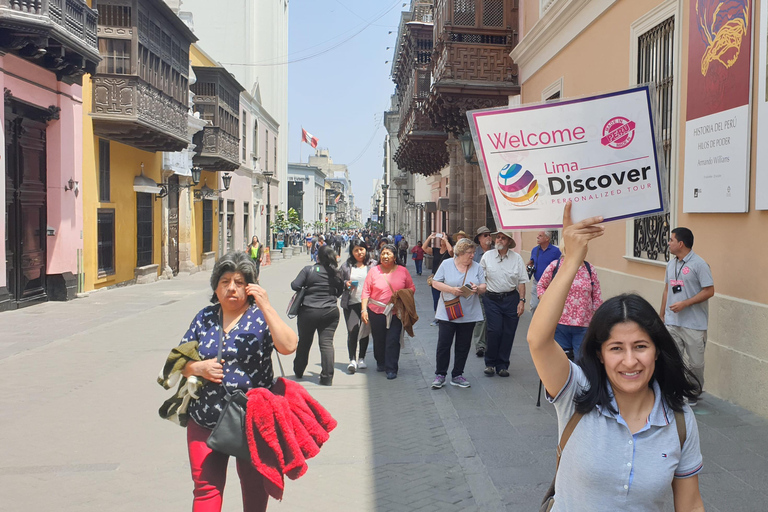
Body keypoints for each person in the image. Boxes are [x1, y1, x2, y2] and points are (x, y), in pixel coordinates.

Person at [527, 203, 704, 511]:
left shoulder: (679, 419)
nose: (630, 361)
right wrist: (570, 261)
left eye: (640, 346)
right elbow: (538, 341)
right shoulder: (577, 392)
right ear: (600, 354)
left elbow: (690, 504)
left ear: (657, 351)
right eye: (616, 349)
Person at [178, 251, 298, 512]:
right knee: (205, 488)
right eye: (225, 281)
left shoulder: (260, 318)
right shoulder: (204, 318)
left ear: (250, 287)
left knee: (255, 490)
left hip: (253, 422)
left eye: (239, 282)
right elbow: (178, 362)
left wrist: (266, 305)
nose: (231, 287)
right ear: (216, 286)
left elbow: (289, 346)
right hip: (205, 419)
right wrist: (197, 367)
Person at [660, 227, 714, 405]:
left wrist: (685, 303)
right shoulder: (671, 264)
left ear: (680, 243)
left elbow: (709, 291)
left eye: (671, 240)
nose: (668, 243)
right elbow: (667, 289)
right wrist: (662, 315)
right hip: (672, 322)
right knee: (672, 359)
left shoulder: (699, 264)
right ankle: (675, 390)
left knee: (696, 364)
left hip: (694, 324)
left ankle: (693, 392)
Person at [430, 238, 486, 389]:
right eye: (469, 253)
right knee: (444, 344)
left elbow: (483, 287)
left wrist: (477, 289)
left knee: (463, 345)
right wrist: (452, 290)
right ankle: (440, 374)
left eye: (474, 252)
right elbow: (435, 282)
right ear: (460, 253)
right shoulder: (447, 264)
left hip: (469, 312)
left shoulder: (477, 267)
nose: (472, 256)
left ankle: (457, 375)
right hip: (448, 311)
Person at [290, 245, 344, 385]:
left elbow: (295, 285)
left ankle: (299, 370)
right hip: (330, 311)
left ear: (317, 257)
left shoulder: (309, 270)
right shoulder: (336, 273)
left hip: (309, 311)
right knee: (326, 343)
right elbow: (339, 291)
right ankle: (327, 377)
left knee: (305, 341)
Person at [361, 244, 415, 379]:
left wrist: (402, 294)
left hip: (396, 313)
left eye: (388, 254)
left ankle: (391, 368)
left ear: (395, 257)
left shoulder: (403, 271)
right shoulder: (373, 271)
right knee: (379, 339)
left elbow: (412, 288)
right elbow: (366, 291)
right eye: (383, 253)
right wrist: (364, 310)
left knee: (393, 340)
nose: (385, 256)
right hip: (376, 311)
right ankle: (380, 361)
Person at [536, 249, 603, 358]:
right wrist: (547, 304)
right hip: (559, 323)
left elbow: (597, 296)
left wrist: (597, 318)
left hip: (583, 324)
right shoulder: (556, 266)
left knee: (582, 361)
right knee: (560, 361)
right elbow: (541, 286)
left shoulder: (589, 268)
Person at [480, 231, 527, 377]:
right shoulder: (487, 256)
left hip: (511, 299)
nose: (499, 239)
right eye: (498, 237)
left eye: (503, 238)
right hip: (491, 298)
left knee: (508, 332)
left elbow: (521, 281)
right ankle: (490, 363)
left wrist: (522, 301)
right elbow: (480, 277)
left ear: (508, 242)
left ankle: (502, 365)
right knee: (494, 330)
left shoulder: (516, 258)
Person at [339, 239, 375, 374]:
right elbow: (338, 281)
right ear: (352, 252)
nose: (359, 252)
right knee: (352, 330)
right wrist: (345, 284)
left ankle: (361, 358)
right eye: (356, 250)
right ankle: (352, 359)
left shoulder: (372, 265)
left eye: (361, 249)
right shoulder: (346, 266)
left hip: (368, 304)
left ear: (366, 249)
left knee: (365, 330)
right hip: (351, 303)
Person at [422, 232, 454, 326]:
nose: (442, 240)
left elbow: (451, 251)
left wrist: (446, 240)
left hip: (447, 279)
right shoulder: (435, 250)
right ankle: (438, 317)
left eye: (444, 238)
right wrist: (429, 237)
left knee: (446, 298)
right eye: (441, 239)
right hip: (436, 278)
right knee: (436, 299)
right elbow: (424, 248)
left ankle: (447, 316)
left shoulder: (449, 251)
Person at [527, 231, 562, 315]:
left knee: (549, 308)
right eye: (537, 235)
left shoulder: (556, 251)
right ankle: (535, 326)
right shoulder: (535, 250)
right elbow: (532, 260)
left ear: (547, 238)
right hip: (537, 282)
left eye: (540, 236)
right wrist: (530, 265)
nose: (537, 237)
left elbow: (560, 265)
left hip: (551, 284)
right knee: (534, 305)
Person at [472, 226, 493, 358]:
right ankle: (480, 344)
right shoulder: (474, 254)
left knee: (491, 318)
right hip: (479, 290)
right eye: (485, 235)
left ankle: (489, 343)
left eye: (489, 234)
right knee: (481, 318)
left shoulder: (496, 252)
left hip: (493, 290)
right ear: (479, 239)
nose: (488, 237)